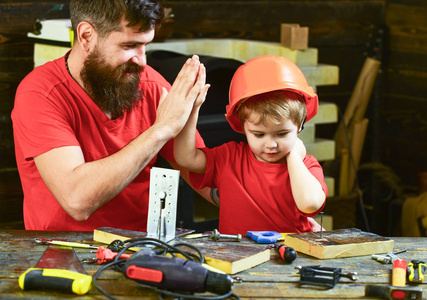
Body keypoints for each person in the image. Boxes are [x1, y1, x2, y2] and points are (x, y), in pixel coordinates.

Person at [11, 0, 211, 231]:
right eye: (129, 46)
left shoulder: (151, 85)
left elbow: (202, 177)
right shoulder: (40, 93)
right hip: (61, 252)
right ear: (87, 36)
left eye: (145, 45)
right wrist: (160, 130)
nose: (142, 61)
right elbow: (77, 201)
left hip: (139, 248)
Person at [174, 55, 328, 234]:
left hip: (287, 258)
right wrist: (192, 111)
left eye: (282, 134)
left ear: (299, 126)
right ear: (243, 128)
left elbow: (310, 204)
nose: (271, 144)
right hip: (237, 257)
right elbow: (185, 158)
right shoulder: (230, 158)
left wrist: (294, 155)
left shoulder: (307, 166)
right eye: (259, 134)